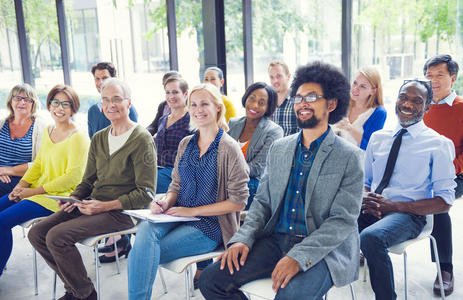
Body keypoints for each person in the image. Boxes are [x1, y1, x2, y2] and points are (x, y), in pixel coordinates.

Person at [199, 61, 364, 299]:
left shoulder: (350, 156)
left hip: (322, 249)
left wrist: (298, 256)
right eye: (298, 98)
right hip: (276, 240)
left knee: (289, 297)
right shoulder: (280, 148)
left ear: (332, 103)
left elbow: (342, 221)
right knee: (211, 280)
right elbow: (263, 203)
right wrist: (243, 238)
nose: (303, 103)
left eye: (312, 97)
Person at [28, 78, 156, 300]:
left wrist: (104, 206)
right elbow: (88, 180)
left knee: (57, 236)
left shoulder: (141, 138)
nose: (111, 105)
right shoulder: (99, 138)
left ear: (129, 103)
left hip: (123, 212)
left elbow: (146, 193)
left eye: (117, 99)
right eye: (105, 100)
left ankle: (84, 294)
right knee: (37, 233)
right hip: (92, 205)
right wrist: (74, 197)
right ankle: (77, 290)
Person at [127, 83, 249, 300]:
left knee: (142, 254)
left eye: (204, 104)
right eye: (193, 104)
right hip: (177, 215)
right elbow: (175, 185)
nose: (198, 109)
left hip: (210, 226)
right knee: (145, 230)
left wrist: (192, 212)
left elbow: (239, 202)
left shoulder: (228, 147)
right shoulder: (186, 143)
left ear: (218, 108)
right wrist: (165, 202)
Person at [359, 79, 456, 300]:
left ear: (428, 107)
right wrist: (367, 198)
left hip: (408, 215)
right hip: (372, 209)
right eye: (404, 97)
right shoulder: (378, 138)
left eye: (417, 101)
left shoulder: (438, 144)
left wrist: (395, 206)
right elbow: (366, 181)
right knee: (326, 219)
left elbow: (445, 201)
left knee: (371, 238)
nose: (408, 104)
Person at [0, 84, 89, 277]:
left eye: (65, 104)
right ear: (49, 106)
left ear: (73, 108)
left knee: (2, 221)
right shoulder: (49, 130)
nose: (59, 108)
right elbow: (38, 165)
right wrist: (22, 185)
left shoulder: (79, 137)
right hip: (37, 191)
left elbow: (72, 178)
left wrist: (31, 191)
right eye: (55, 103)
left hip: (58, 198)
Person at [423, 54, 462, 296]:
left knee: (437, 203)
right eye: (429, 76)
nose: (433, 81)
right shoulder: (421, 106)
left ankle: (444, 268)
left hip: (456, 174)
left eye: (439, 75)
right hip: (422, 173)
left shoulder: (461, 108)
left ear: (453, 78)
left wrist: (448, 170)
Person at [228, 82, 283, 209]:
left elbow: (258, 168)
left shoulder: (274, 131)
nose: (254, 105)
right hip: (230, 181)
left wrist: (227, 173)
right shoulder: (233, 123)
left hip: (253, 184)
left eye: (261, 103)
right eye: (252, 98)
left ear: (268, 107)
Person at [0, 84, 48, 197]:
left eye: (27, 100)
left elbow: (42, 164)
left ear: (33, 104)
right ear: (10, 101)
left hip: (23, 180)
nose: (22, 102)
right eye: (17, 98)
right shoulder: (2, 124)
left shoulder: (42, 127)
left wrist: (8, 170)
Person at [155, 75, 192, 193]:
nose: (171, 96)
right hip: (158, 168)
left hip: (178, 173)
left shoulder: (192, 119)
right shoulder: (163, 119)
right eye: (168, 92)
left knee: (150, 183)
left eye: (175, 92)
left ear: (185, 94)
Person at [334, 66, 387, 150]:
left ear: (373, 91)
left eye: (362, 86)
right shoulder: (344, 102)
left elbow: (370, 147)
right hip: (340, 157)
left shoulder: (378, 113)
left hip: (359, 160)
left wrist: (350, 129)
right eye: (355, 83)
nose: (355, 89)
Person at [88, 62, 138, 138]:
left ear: (114, 78)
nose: (100, 82)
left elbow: (134, 137)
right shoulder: (92, 111)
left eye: (105, 78)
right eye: (97, 79)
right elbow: (93, 140)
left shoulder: (127, 109)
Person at [268, 60, 299, 136]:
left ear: (288, 77)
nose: (275, 81)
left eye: (279, 76)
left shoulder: (298, 102)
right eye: (272, 77)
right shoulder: (267, 103)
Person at [146, 70, 182, 136]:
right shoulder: (163, 105)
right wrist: (144, 133)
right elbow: (154, 125)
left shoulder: (190, 105)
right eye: (165, 85)